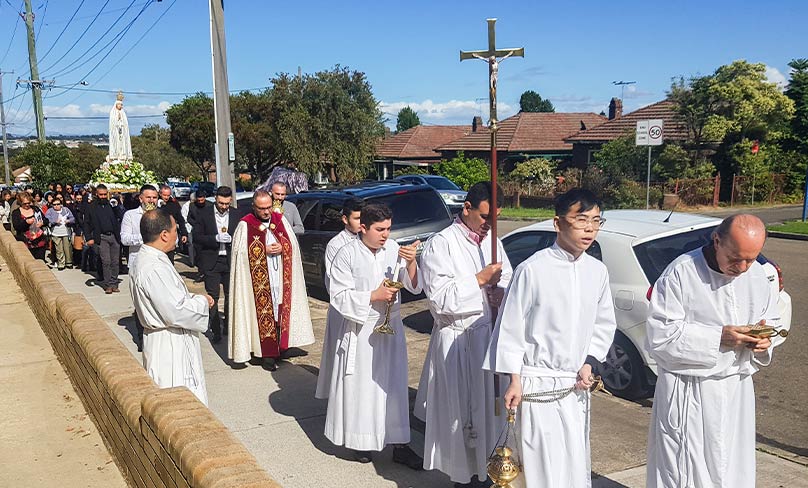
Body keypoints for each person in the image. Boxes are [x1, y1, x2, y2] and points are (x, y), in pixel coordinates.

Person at [483, 188, 617, 488]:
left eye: (596, 221)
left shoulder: (597, 271)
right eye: (581, 220)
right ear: (558, 223)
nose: (589, 229)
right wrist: (514, 379)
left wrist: (590, 362)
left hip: (574, 385)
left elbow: (604, 323)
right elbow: (511, 327)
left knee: (572, 461)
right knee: (538, 464)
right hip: (536, 384)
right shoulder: (533, 269)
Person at [645, 214, 787, 488]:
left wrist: (764, 339)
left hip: (736, 388)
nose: (743, 267)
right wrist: (717, 337)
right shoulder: (682, 273)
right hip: (690, 390)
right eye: (736, 257)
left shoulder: (757, 274)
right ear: (717, 241)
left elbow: (772, 319)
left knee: (732, 465)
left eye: (751, 257)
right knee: (686, 469)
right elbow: (660, 337)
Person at [415, 182, 512, 487]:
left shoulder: (492, 240)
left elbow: (507, 276)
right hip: (457, 341)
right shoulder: (440, 244)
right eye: (485, 217)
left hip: (488, 338)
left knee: (491, 415)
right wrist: (480, 281)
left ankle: (491, 471)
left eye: (495, 218)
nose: (489, 225)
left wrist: (502, 293)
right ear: (466, 208)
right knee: (462, 416)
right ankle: (464, 477)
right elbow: (440, 298)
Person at [322, 203, 423, 468]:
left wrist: (411, 262)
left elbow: (412, 285)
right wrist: (372, 296)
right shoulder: (345, 253)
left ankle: (399, 443)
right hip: (362, 328)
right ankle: (362, 441)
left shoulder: (393, 249)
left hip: (392, 329)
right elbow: (338, 296)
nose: (386, 235)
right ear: (362, 227)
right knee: (364, 389)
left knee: (393, 387)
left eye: (389, 228)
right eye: (380, 229)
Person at [129, 210, 212, 405]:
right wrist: (202, 302)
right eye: (175, 229)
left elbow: (169, 297)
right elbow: (175, 311)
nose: (178, 233)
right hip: (169, 345)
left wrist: (192, 297)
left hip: (169, 337)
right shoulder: (153, 267)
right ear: (164, 234)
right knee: (177, 400)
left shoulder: (150, 258)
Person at [228, 190, 314, 371]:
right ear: (254, 207)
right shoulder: (245, 225)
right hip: (257, 283)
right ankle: (265, 354)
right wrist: (262, 250)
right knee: (263, 313)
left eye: (268, 207)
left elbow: (292, 245)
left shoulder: (279, 219)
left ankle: (281, 348)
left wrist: (282, 247)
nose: (267, 212)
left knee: (279, 311)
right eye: (262, 209)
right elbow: (239, 254)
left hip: (280, 279)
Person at [314, 197, 364, 399]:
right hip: (343, 309)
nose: (361, 223)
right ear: (345, 219)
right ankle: (340, 396)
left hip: (363, 306)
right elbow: (335, 281)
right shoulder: (336, 245)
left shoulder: (366, 240)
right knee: (341, 355)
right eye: (357, 218)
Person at [192, 186, 239, 344]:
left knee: (230, 295)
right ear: (215, 199)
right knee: (213, 296)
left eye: (226, 204)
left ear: (230, 200)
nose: (223, 207)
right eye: (220, 203)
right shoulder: (204, 214)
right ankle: (215, 329)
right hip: (212, 260)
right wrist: (215, 238)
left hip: (230, 260)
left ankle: (228, 325)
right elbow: (197, 237)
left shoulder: (236, 214)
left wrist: (232, 239)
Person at [120, 185, 159, 350]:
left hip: (158, 263)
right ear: (141, 198)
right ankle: (142, 338)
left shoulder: (161, 215)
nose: (151, 200)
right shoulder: (130, 215)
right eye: (148, 197)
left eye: (154, 198)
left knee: (157, 301)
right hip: (138, 263)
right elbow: (125, 239)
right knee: (141, 302)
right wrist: (146, 238)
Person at [84, 184, 121, 294]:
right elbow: (86, 223)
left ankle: (114, 283)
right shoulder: (91, 207)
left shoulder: (111, 205)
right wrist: (89, 237)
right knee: (106, 261)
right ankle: (108, 284)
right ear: (97, 194)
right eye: (101, 194)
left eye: (105, 194)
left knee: (115, 261)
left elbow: (120, 216)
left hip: (114, 236)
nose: (103, 196)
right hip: (101, 237)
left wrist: (117, 206)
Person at [11, 192, 49, 260]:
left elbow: (46, 220)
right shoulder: (16, 213)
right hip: (25, 243)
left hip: (39, 242)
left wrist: (42, 223)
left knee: (40, 261)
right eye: (24, 203)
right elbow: (16, 226)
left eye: (28, 203)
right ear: (20, 202)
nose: (27, 205)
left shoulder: (36, 209)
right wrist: (26, 222)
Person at [157, 184, 188, 262]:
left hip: (170, 235)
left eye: (168, 195)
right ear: (160, 194)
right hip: (157, 235)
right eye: (164, 195)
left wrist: (184, 233)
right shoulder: (155, 204)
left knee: (169, 260)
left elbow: (181, 220)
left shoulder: (174, 205)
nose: (166, 197)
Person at [45, 198, 76, 270]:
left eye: (58, 204)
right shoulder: (50, 211)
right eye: (54, 205)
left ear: (61, 204)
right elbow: (47, 220)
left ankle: (69, 262)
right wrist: (55, 221)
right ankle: (61, 263)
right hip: (56, 232)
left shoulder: (66, 209)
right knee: (59, 249)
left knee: (67, 248)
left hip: (66, 232)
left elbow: (73, 219)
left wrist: (68, 221)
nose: (56, 206)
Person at [108, 91, 132, 162]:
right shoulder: (113, 112)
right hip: (116, 131)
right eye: (119, 105)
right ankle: (116, 155)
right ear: (116, 105)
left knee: (122, 144)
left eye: (121, 105)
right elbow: (112, 122)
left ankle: (123, 155)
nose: (121, 106)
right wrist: (117, 120)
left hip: (122, 131)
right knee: (117, 143)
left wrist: (122, 124)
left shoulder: (123, 113)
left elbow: (125, 123)